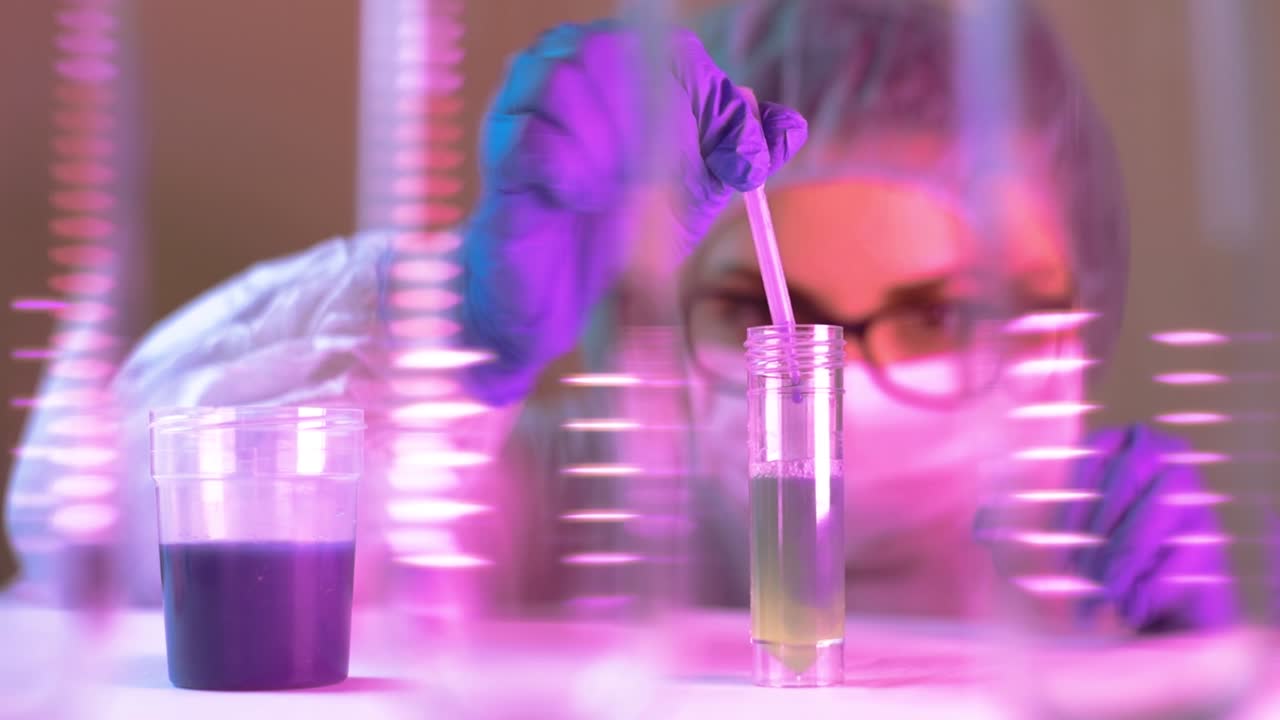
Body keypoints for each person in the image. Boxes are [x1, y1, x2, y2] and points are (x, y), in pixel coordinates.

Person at [5, 0, 1232, 632]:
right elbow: (90, 540)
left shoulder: (1130, 585)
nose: (836, 382)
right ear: (647, 319)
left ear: (1072, 312)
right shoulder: (554, 514)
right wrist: (460, 337)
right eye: (764, 313)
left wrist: (1200, 672)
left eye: (937, 317)